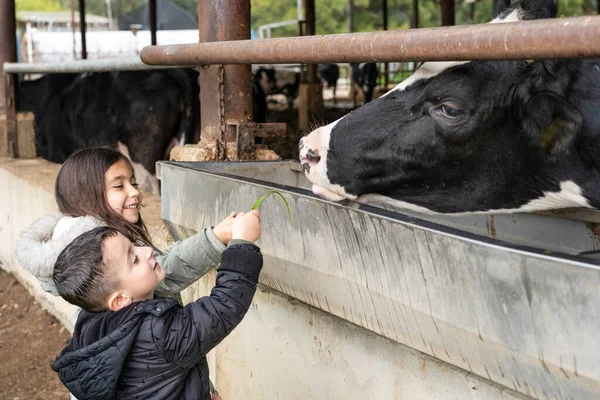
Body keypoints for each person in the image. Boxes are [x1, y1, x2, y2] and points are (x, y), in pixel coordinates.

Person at [51, 209, 262, 399]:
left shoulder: (94, 321)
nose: (146, 251)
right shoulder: (160, 334)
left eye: (134, 246)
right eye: (134, 259)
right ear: (120, 299)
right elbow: (223, 307)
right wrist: (242, 245)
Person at [16, 146, 236, 299]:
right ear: (86, 197)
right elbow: (164, 275)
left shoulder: (88, 242)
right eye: (119, 186)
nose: (135, 192)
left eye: (134, 182)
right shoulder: (102, 250)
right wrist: (215, 239)